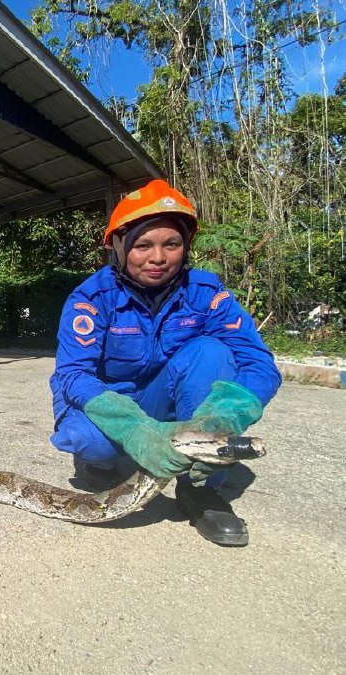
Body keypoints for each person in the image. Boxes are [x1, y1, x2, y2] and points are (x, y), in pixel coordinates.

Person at [49, 179, 281, 547]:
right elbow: (73, 374)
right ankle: (103, 464)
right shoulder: (91, 299)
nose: (158, 257)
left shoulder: (206, 294)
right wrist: (132, 428)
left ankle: (199, 489)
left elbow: (258, 361)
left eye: (171, 244)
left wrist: (224, 417)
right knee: (93, 443)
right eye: (143, 245)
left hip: (164, 398)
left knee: (212, 352)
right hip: (109, 400)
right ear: (119, 247)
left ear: (185, 247)